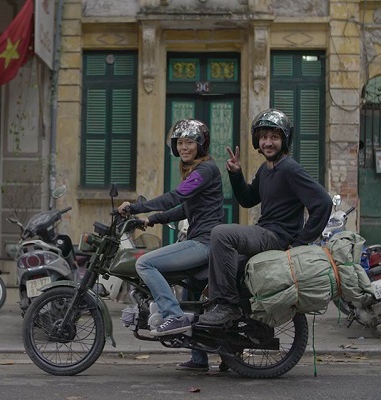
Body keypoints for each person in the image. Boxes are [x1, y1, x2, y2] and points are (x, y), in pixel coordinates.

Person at [198, 109, 332, 326]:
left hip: (276, 236)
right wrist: (235, 174)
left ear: (285, 140)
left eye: (274, 137)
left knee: (221, 234)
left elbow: (323, 203)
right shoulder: (265, 169)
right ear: (257, 140)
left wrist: (299, 242)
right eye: (263, 137)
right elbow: (248, 199)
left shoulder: (289, 168)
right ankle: (231, 349)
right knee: (228, 268)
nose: (268, 142)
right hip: (265, 232)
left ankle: (225, 306)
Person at [117, 118, 224, 372]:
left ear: (201, 145)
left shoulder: (205, 171)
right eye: (181, 142)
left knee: (146, 263)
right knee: (191, 298)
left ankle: (172, 316)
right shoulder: (197, 171)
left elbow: (175, 198)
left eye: (190, 142)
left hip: (204, 242)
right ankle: (199, 359)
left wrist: (135, 207)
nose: (185, 147)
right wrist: (149, 219)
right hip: (200, 240)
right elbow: (183, 209)